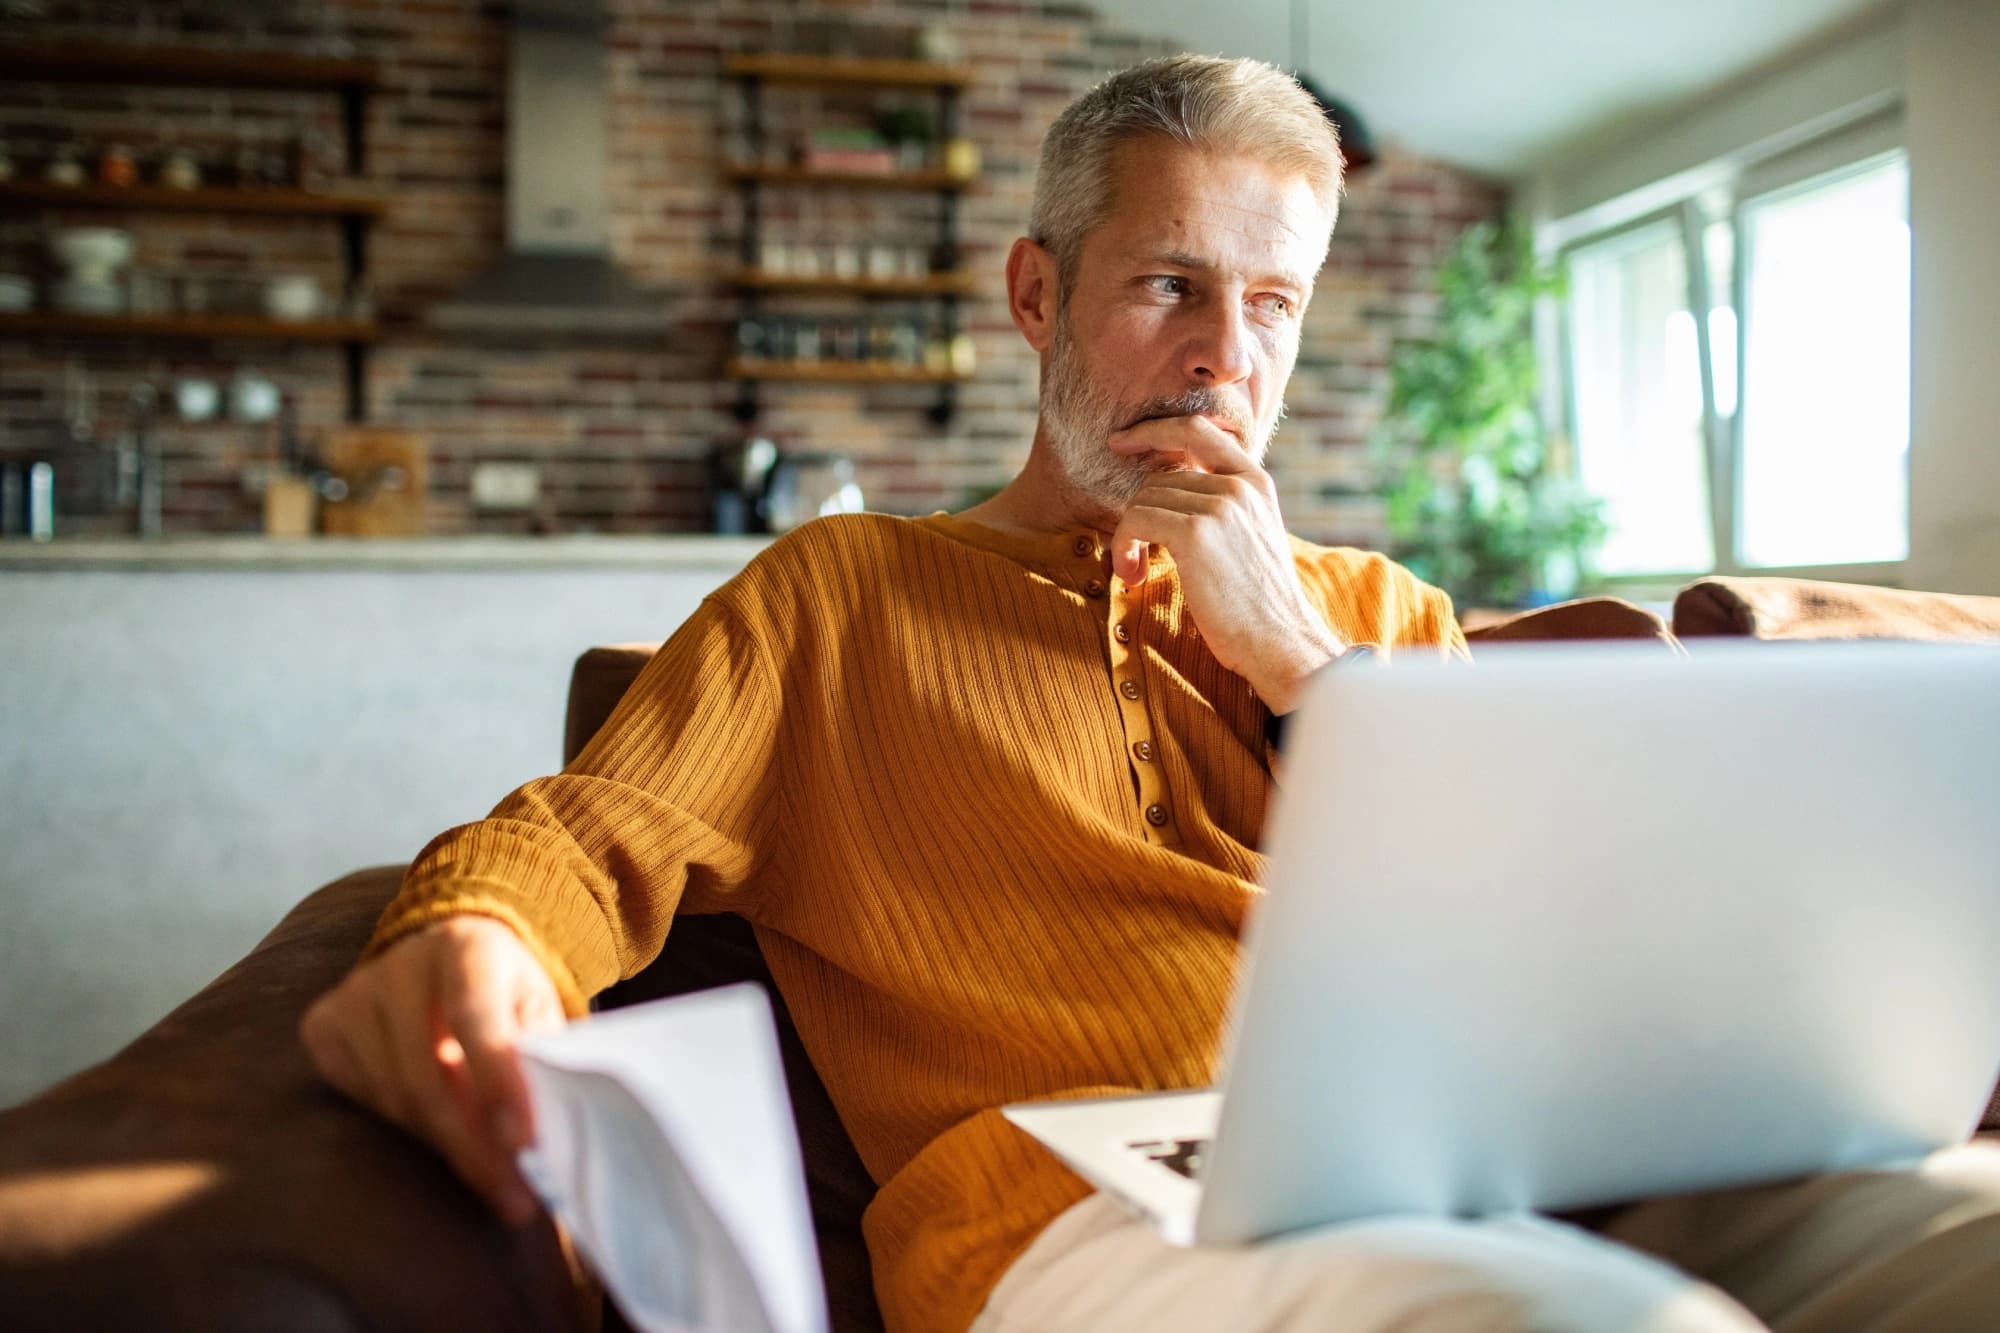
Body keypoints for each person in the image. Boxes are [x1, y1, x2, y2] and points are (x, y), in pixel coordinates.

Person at [303, 55, 2000, 1333]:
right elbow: (582, 836)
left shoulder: (1371, 608)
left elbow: (1537, 952)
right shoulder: (842, 596)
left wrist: (1294, 660)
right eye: (1171, 286)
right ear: (1041, 296)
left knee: (1965, 1231)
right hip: (1072, 1212)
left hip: (1487, 1159)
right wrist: (477, 944)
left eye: (1270, 306)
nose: (1221, 362)